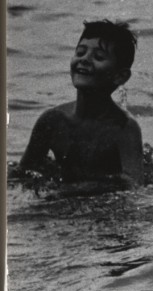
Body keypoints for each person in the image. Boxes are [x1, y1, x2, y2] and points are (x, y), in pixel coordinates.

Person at [14, 20, 144, 191]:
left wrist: (76, 189)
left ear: (120, 76)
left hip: (103, 208)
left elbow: (134, 184)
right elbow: (23, 173)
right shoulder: (52, 120)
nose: (84, 60)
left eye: (98, 57)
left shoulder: (124, 128)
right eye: (80, 52)